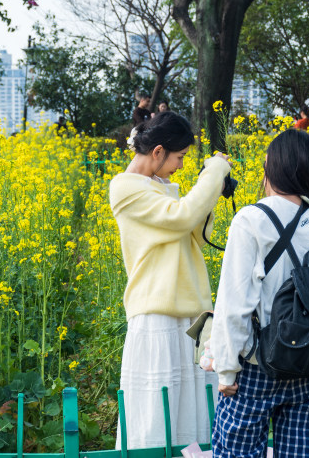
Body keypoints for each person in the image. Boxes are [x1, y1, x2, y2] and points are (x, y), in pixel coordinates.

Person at [209, 129, 309, 458]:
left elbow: (235, 302)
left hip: (256, 366)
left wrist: (227, 368)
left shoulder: (251, 219)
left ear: (270, 168)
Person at [109, 111, 232, 449]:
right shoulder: (124, 188)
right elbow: (180, 218)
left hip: (192, 316)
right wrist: (214, 172)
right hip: (158, 316)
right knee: (156, 419)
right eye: (179, 157)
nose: (180, 165)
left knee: (196, 420)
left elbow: (193, 230)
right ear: (159, 151)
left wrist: (211, 189)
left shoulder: (162, 187)